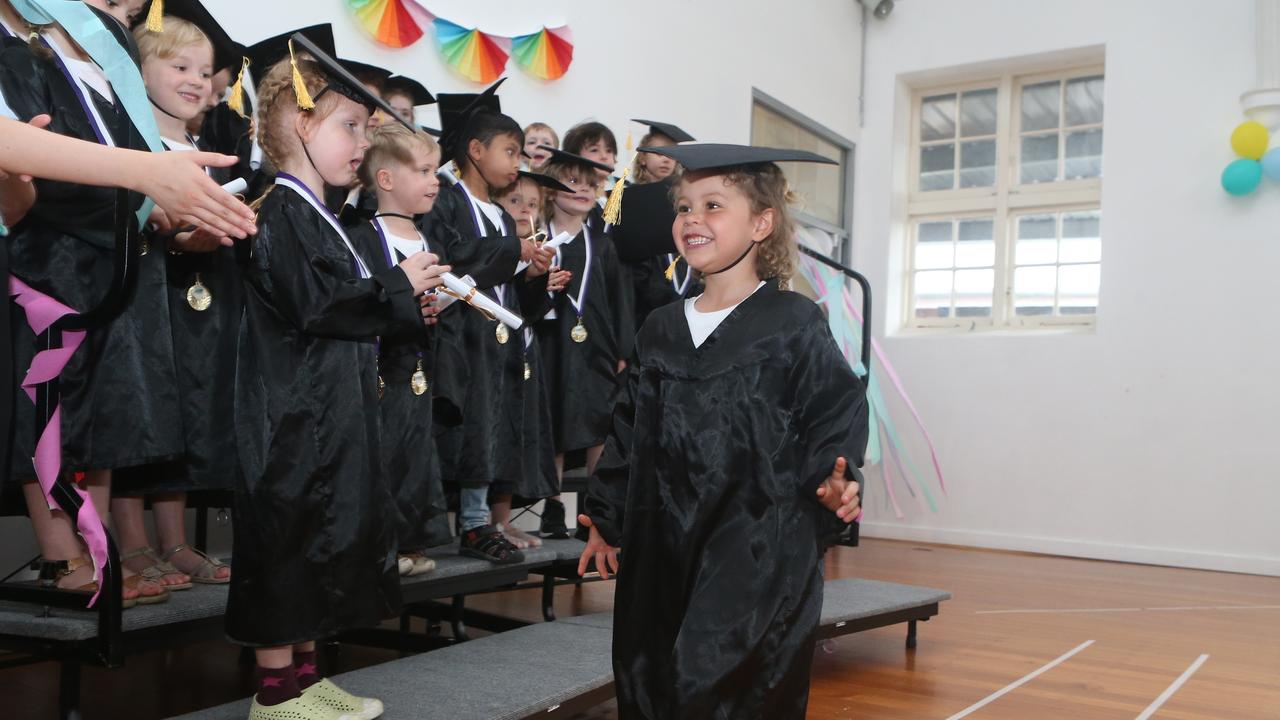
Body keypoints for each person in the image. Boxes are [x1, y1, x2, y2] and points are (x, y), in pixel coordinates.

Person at [578, 143, 868, 719]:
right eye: (684, 207)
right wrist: (604, 519)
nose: (692, 220)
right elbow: (629, 429)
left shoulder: (794, 322)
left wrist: (837, 477)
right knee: (650, 673)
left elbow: (834, 414)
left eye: (713, 205)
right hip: (662, 541)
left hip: (756, 542)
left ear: (762, 223)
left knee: (721, 682)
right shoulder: (660, 327)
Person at [228, 35, 447, 720]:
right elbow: (317, 305)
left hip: (329, 415)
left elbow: (351, 313)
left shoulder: (324, 217)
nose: (362, 141)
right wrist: (393, 287)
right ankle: (273, 693)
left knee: (322, 542)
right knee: (288, 545)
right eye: (349, 125)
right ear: (299, 123)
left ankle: (308, 678)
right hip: (289, 419)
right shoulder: (281, 211)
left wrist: (406, 307)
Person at [348, 122, 454, 576]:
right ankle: (377, 545)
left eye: (436, 170)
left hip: (419, 368)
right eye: (425, 170)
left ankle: (408, 540)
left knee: (414, 454)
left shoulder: (431, 238)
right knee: (380, 453)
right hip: (380, 370)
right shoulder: (362, 236)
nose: (435, 180)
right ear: (386, 180)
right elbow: (366, 299)